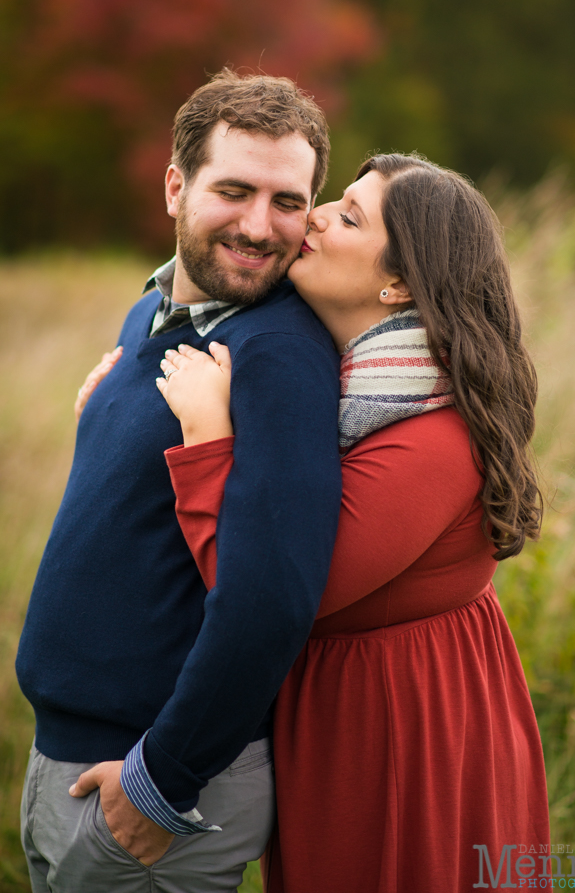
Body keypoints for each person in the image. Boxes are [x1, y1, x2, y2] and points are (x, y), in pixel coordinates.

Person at [148, 154, 551, 892]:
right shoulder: (346, 386)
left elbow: (269, 587)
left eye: (351, 216)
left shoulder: (435, 440)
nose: (318, 217)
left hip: (400, 729)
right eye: (334, 199)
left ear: (396, 283)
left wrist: (208, 437)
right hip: (350, 710)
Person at [15, 69, 344, 893]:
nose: (259, 226)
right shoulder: (156, 311)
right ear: (175, 185)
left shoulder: (274, 356)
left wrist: (161, 785)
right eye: (233, 190)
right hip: (74, 750)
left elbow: (270, 600)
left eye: (287, 201)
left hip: (152, 777)